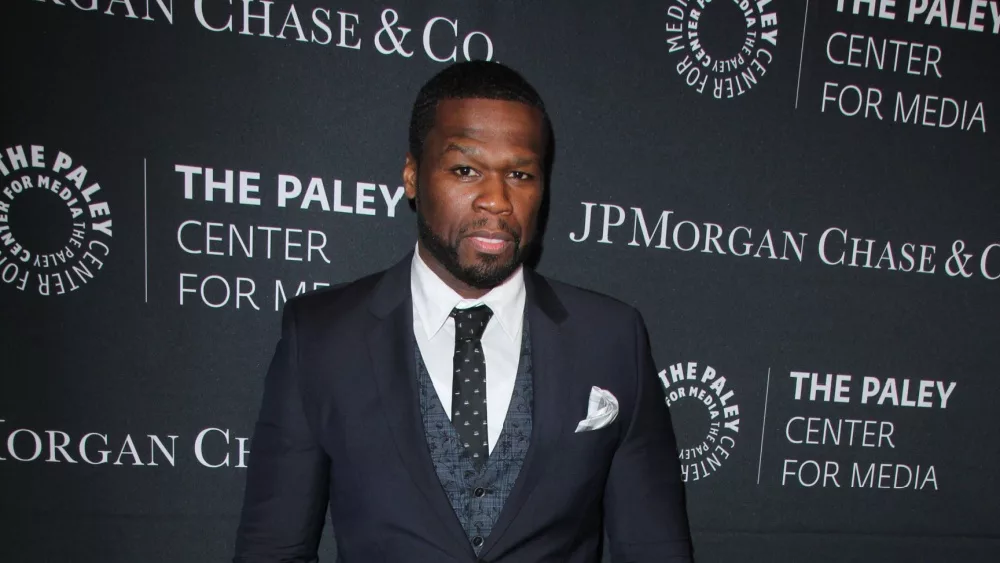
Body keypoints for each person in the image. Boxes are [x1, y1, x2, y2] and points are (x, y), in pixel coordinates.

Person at [233, 60, 693, 563]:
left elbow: (655, 547)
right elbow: (272, 550)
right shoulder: (321, 335)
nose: (496, 200)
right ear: (412, 176)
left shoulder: (610, 337)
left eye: (520, 174)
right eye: (465, 170)